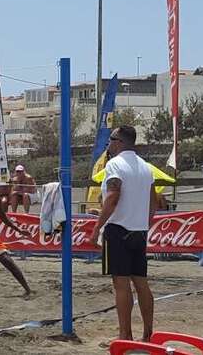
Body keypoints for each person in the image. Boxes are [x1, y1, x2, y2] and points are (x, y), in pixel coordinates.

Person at [88, 126, 156, 342]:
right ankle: (148, 333)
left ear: (119, 141)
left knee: (121, 284)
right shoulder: (146, 167)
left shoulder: (115, 164)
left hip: (118, 230)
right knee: (141, 283)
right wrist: (144, 223)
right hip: (139, 231)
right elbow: (153, 202)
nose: (108, 143)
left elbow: (113, 197)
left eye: (111, 139)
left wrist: (97, 228)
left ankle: (125, 335)